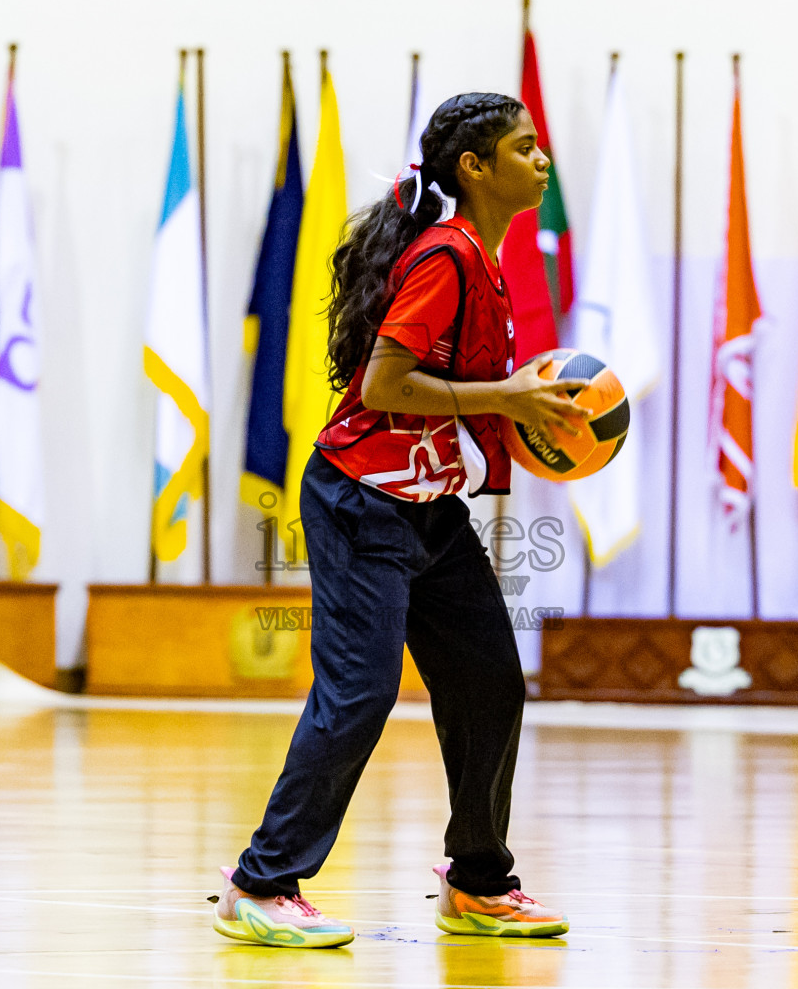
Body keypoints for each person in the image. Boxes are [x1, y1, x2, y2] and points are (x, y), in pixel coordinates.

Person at [213, 93, 589, 948]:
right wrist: (508, 396)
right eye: (525, 148)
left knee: (490, 680)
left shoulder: (485, 257)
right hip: (359, 499)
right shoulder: (446, 257)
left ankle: (480, 884)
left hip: (428, 508)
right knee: (360, 693)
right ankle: (259, 884)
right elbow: (383, 386)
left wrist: (527, 408)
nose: (542, 161)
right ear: (475, 167)